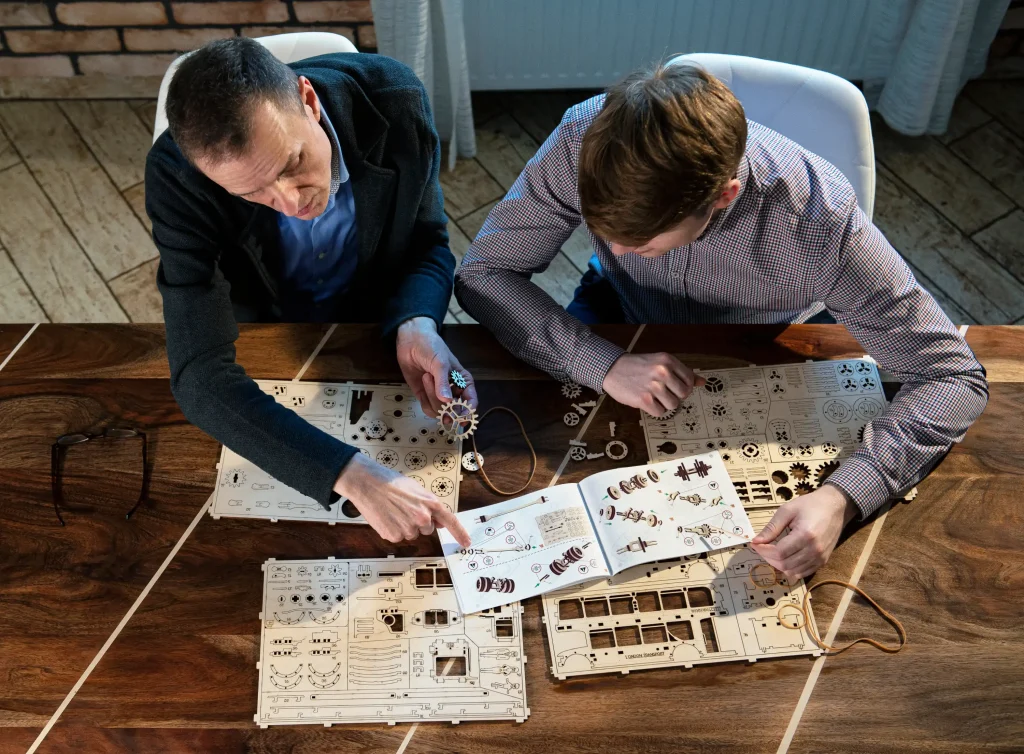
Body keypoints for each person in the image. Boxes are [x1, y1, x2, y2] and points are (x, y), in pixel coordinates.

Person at [455, 62, 988, 580]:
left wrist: (845, 495)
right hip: (616, 314)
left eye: (640, 242)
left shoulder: (820, 221)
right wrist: (603, 364)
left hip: (766, 339)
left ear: (722, 197)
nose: (613, 247)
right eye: (601, 229)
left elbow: (952, 379)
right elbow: (484, 273)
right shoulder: (582, 138)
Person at [147, 37, 470, 547]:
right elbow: (199, 374)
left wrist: (418, 321)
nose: (290, 201)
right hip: (263, 336)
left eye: (291, 163)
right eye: (252, 192)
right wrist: (352, 473)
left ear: (309, 100)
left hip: (374, 325)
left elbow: (428, 244)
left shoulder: (397, 99)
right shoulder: (176, 176)